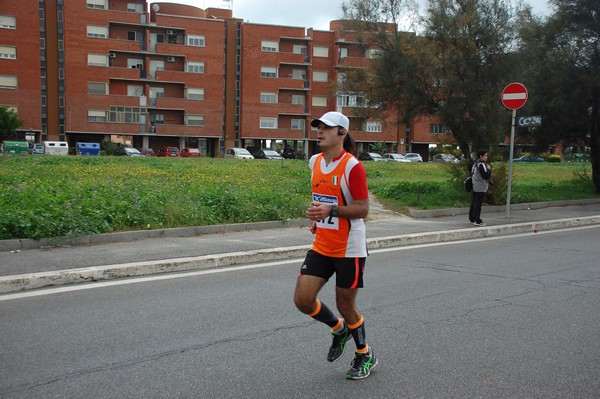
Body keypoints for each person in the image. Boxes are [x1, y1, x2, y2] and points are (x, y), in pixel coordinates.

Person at [293, 111, 378, 380]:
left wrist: (330, 211)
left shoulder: (353, 166)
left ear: (342, 133)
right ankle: (338, 329)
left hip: (349, 249)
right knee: (303, 300)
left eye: (326, 128)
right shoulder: (315, 161)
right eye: (318, 126)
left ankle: (365, 354)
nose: (319, 131)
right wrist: (320, 219)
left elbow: (363, 209)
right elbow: (323, 198)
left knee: (346, 306)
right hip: (322, 244)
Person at [469, 149, 492, 227]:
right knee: (478, 204)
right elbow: (486, 175)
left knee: (474, 202)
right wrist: (489, 169)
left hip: (475, 185)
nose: (486, 157)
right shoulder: (482, 164)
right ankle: (477, 220)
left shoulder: (475, 164)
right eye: (485, 155)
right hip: (481, 186)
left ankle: (472, 218)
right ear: (481, 156)